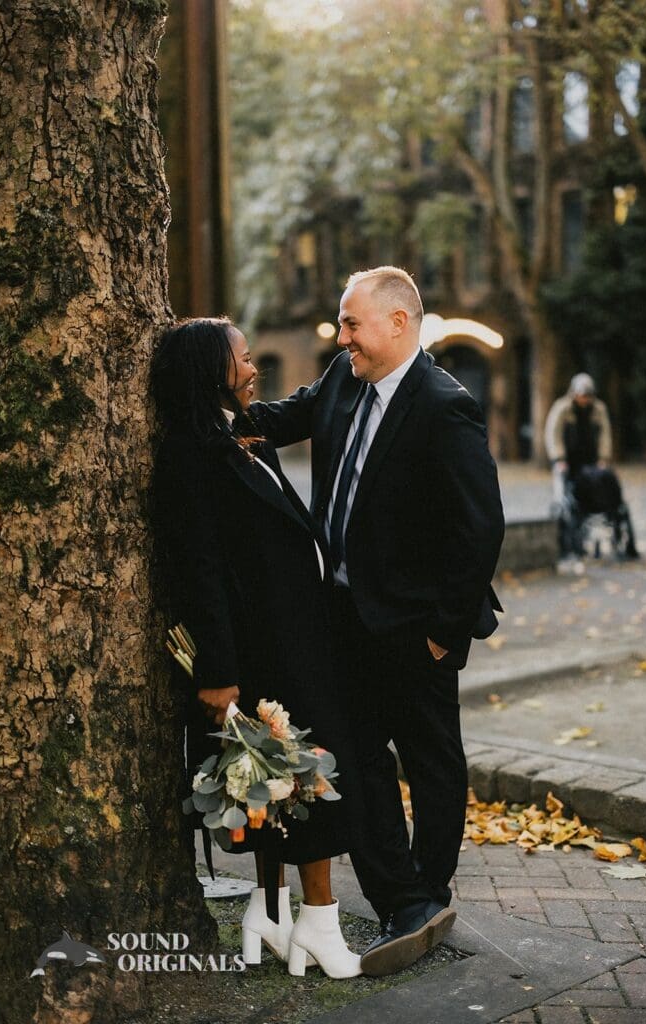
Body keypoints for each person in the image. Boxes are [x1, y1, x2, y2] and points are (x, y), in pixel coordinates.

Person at [247, 267, 505, 976]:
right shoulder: (340, 376)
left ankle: (430, 891)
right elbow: (283, 417)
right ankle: (401, 899)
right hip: (343, 617)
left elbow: (480, 528)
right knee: (356, 759)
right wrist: (220, 416)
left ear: (399, 323)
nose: (343, 335)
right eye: (342, 323)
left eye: (353, 322)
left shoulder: (444, 406)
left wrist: (443, 632)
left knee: (431, 761)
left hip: (416, 625)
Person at [151, 317, 361, 979]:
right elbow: (200, 569)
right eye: (243, 359)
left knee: (275, 786)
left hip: (294, 638)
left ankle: (268, 914)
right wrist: (218, 672)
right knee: (304, 781)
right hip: (256, 652)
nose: (253, 369)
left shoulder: (241, 434)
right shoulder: (189, 454)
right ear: (213, 370)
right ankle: (321, 924)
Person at [545, 373, 638, 560]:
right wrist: (559, 459)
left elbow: (605, 435)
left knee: (607, 478)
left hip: (592, 461)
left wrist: (604, 458)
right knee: (571, 491)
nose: (585, 399)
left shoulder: (599, 409)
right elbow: (553, 434)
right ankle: (570, 545)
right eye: (582, 395)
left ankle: (626, 542)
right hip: (570, 462)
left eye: (588, 395)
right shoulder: (562, 408)